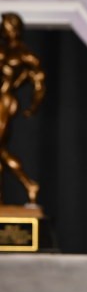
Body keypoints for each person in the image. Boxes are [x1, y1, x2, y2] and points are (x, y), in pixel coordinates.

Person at [0, 12, 46, 205]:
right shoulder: (3, 50)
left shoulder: (23, 54)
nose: (4, 31)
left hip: (4, 101)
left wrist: (33, 105)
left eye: (7, 27)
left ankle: (29, 184)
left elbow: (39, 79)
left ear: (15, 29)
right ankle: (28, 185)